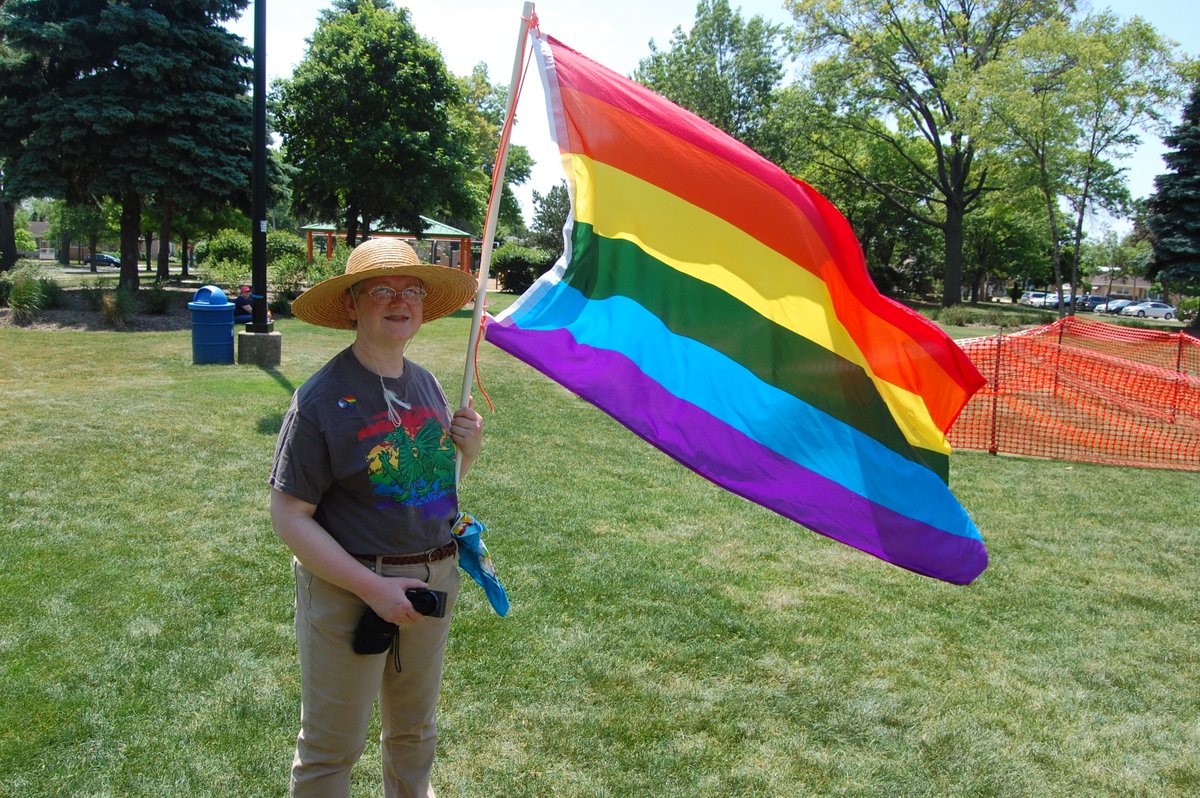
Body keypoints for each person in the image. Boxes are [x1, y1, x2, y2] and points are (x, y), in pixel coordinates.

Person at [268, 237, 483, 798]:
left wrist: (468, 453)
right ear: (352, 304)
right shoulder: (320, 399)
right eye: (382, 290)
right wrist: (372, 588)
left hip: (434, 578)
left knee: (414, 733)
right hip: (351, 590)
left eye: (412, 290)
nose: (400, 301)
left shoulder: (428, 384)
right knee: (331, 748)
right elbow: (289, 516)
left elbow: (428, 492)